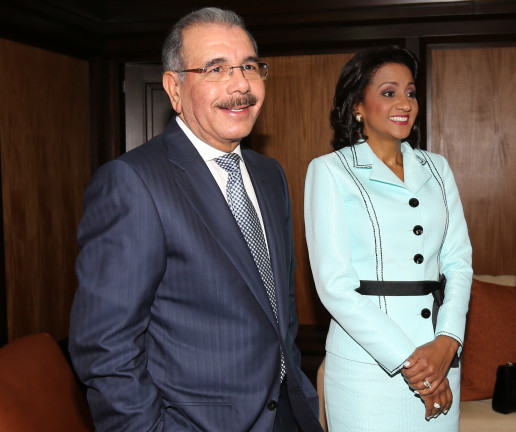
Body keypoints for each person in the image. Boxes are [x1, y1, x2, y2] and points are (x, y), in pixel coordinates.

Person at [68, 7, 322, 432]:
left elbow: (280, 308)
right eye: (215, 69)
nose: (240, 85)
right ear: (174, 89)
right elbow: (105, 346)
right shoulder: (133, 182)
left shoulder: (269, 175)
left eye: (249, 67)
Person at [303, 46, 472, 431]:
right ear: (357, 106)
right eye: (389, 92)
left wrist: (448, 342)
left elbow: (459, 263)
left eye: (410, 92)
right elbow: (334, 287)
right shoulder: (330, 171)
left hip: (443, 362)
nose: (405, 103)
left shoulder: (438, 168)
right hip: (367, 370)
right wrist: (414, 365)